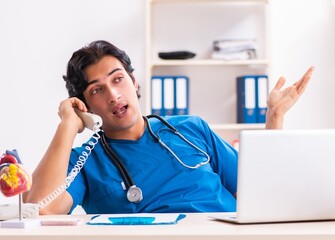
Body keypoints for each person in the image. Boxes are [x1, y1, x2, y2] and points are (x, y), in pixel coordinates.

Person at [23, 40, 314, 214]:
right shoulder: (84, 162)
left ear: (134, 82)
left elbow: (257, 193)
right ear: (83, 104)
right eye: (96, 90)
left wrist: (274, 119)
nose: (113, 95)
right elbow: (40, 209)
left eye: (117, 79)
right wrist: (68, 124)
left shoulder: (191, 128)